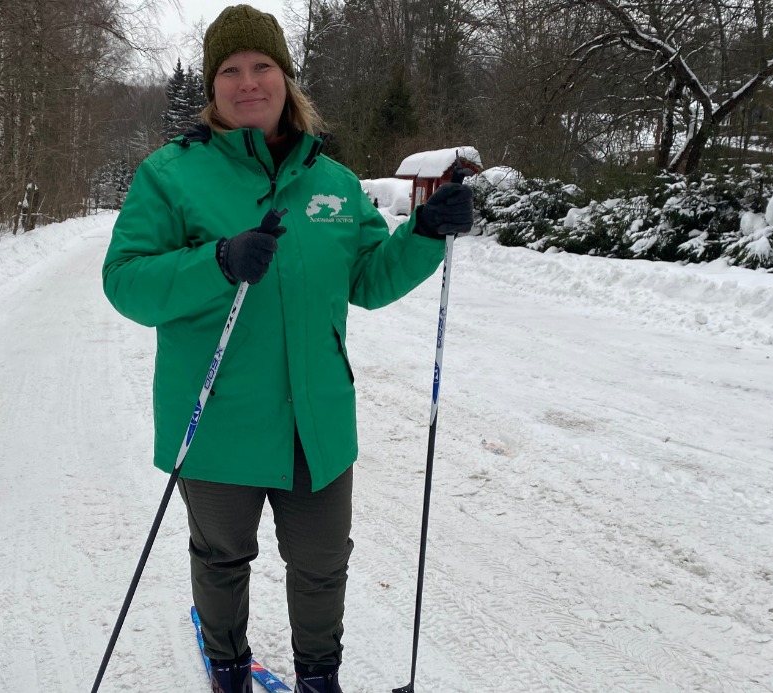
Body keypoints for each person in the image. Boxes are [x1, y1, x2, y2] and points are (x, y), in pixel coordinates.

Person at [101, 5, 473, 691]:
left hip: (317, 420)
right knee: (221, 559)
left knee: (324, 562)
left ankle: (318, 677)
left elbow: (368, 278)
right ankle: (230, 669)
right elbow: (125, 282)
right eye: (231, 71)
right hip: (215, 419)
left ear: (285, 77)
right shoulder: (170, 175)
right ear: (213, 88)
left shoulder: (331, 182)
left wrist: (424, 234)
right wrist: (215, 260)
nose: (248, 83)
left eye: (262, 66)